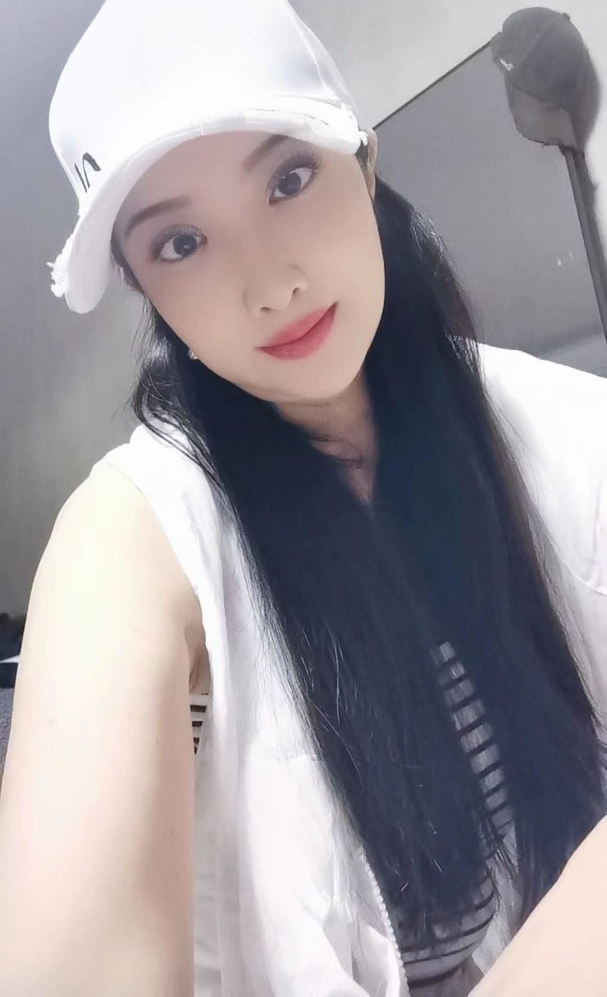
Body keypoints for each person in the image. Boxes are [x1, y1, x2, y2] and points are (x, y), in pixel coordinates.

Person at [0, 0, 605, 994]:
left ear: (362, 163)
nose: (269, 284)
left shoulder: (539, 421)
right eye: (180, 243)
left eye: (287, 180)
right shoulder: (136, 532)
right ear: (148, 291)